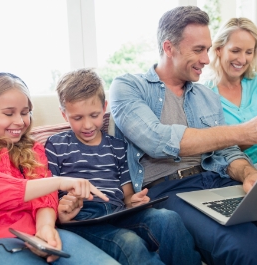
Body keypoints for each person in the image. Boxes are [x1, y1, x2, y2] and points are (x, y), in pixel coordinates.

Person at [109, 6, 257, 265]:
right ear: (169, 48)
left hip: (217, 181)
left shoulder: (207, 97)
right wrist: (246, 131)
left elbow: (227, 151)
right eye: (198, 50)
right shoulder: (128, 87)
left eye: (208, 49)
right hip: (169, 191)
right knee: (248, 251)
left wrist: (250, 175)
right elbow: (157, 141)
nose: (206, 59)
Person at [45, 68, 200, 265]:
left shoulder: (117, 146)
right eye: (77, 118)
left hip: (118, 213)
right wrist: (62, 209)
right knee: (130, 243)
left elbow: (126, 196)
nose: (87, 125)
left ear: (104, 108)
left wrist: (133, 201)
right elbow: (50, 193)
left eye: (94, 115)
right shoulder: (56, 145)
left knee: (169, 219)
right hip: (82, 220)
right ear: (64, 114)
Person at [0, 72, 119, 265]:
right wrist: (57, 182)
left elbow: (45, 198)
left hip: (38, 235)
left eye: (24, 113)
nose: (19, 121)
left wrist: (45, 228)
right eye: (9, 113)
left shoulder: (33, 149)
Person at [204, 17, 257, 163]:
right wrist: (254, 135)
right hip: (234, 170)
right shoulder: (205, 93)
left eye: (249, 52)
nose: (242, 59)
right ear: (219, 50)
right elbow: (213, 152)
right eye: (235, 51)